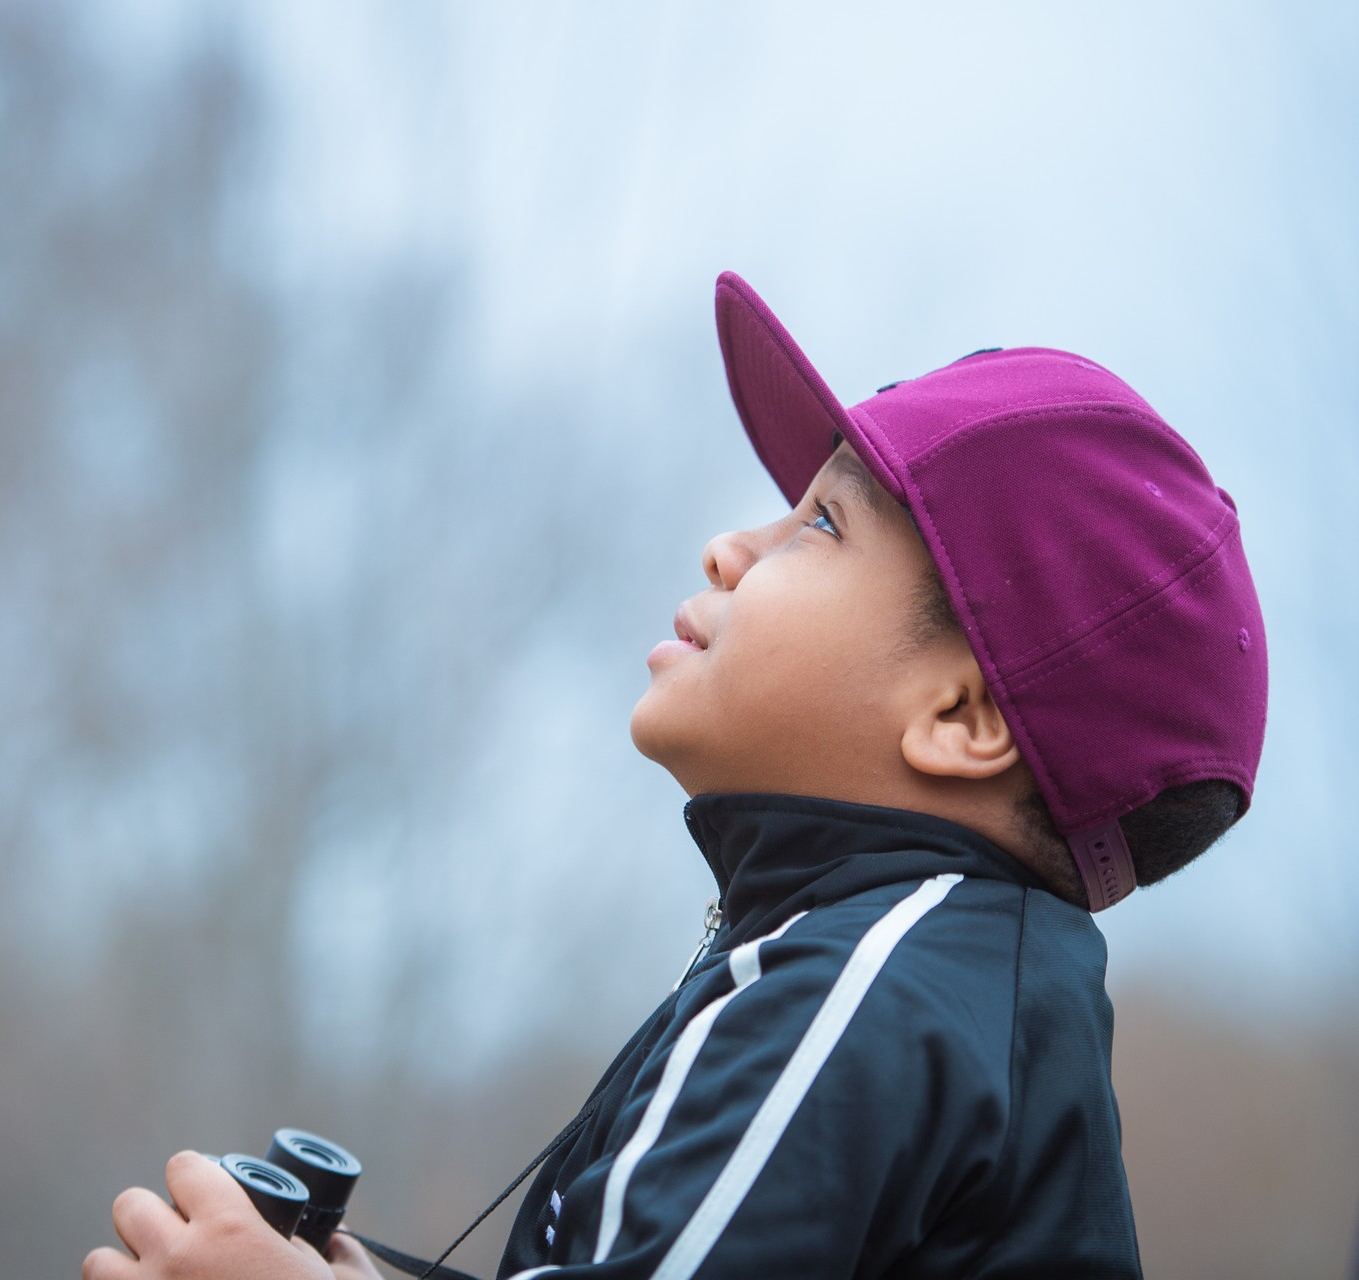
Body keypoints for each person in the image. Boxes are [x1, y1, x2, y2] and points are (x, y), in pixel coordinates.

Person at [81, 272, 1268, 1280]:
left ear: (958, 714)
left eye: (819, 525)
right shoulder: (929, 972)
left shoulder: (866, 992)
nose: (732, 545)